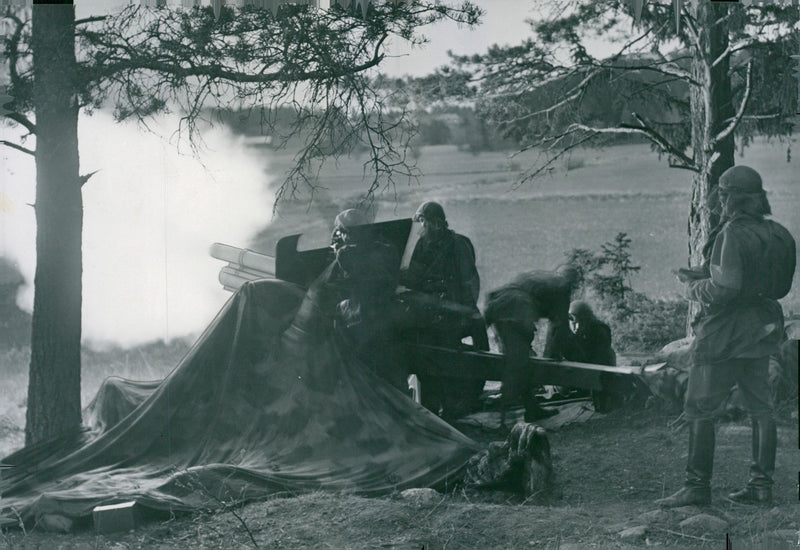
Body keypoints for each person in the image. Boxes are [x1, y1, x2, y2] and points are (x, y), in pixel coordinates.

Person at [656, 165, 794, 508]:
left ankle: (696, 487)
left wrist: (691, 287)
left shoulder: (732, 233)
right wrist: (705, 273)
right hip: (761, 328)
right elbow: (762, 280)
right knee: (762, 408)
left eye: (722, 193)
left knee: (700, 406)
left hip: (724, 332)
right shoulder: (776, 233)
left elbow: (726, 289)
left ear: (731, 198)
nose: (718, 200)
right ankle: (761, 486)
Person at [398, 201, 488, 418]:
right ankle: (431, 404)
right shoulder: (423, 245)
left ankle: (454, 404)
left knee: (443, 349)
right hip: (432, 310)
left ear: (437, 224)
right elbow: (414, 277)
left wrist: (458, 309)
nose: (421, 228)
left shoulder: (458, 244)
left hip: (455, 310)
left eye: (424, 222)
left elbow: (469, 282)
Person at [484, 265, 579, 427]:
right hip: (516, 308)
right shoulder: (563, 286)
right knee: (518, 364)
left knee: (520, 361)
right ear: (573, 281)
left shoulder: (543, 277)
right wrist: (552, 357)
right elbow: (559, 326)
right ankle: (506, 418)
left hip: (498, 303)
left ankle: (531, 408)